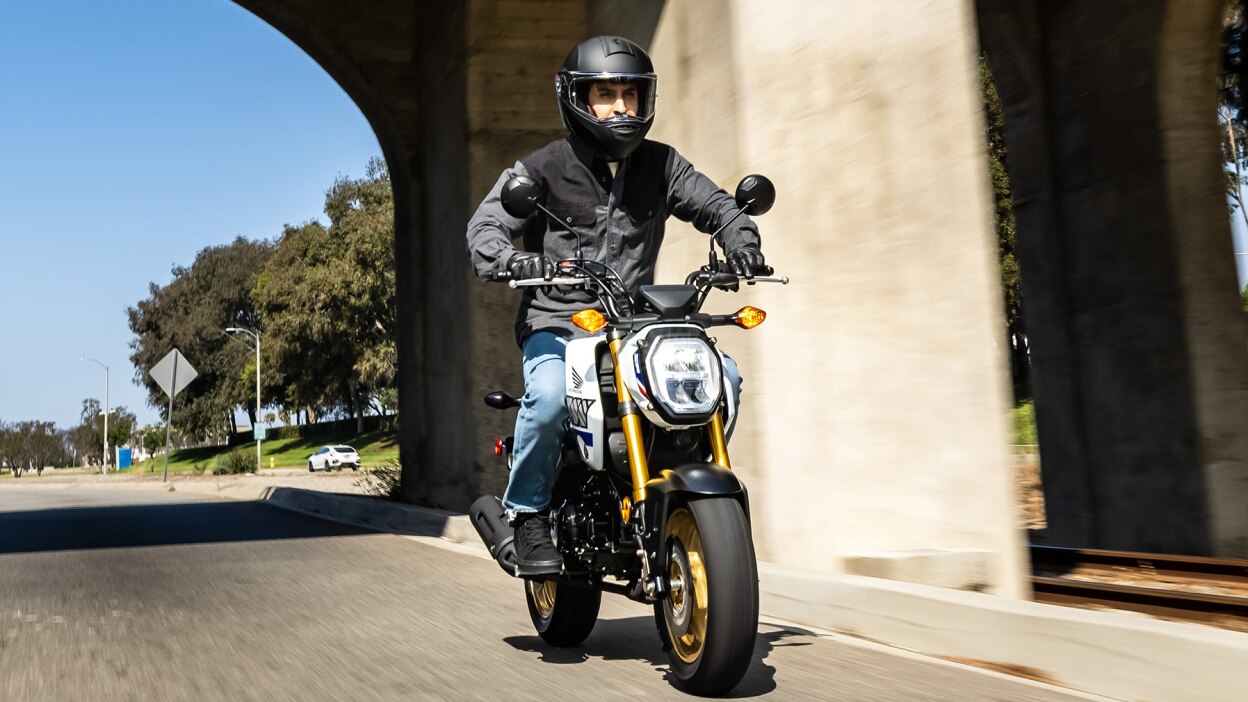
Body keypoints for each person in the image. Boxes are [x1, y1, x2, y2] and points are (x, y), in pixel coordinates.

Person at [465, 35, 769, 575]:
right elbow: (487, 225)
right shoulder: (540, 169)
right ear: (578, 99)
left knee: (724, 378)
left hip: (634, 325)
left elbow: (716, 203)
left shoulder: (662, 165)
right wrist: (512, 260)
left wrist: (741, 240)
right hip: (559, 322)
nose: (622, 107)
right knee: (552, 392)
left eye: (631, 94)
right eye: (607, 94)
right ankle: (528, 513)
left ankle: (686, 493)